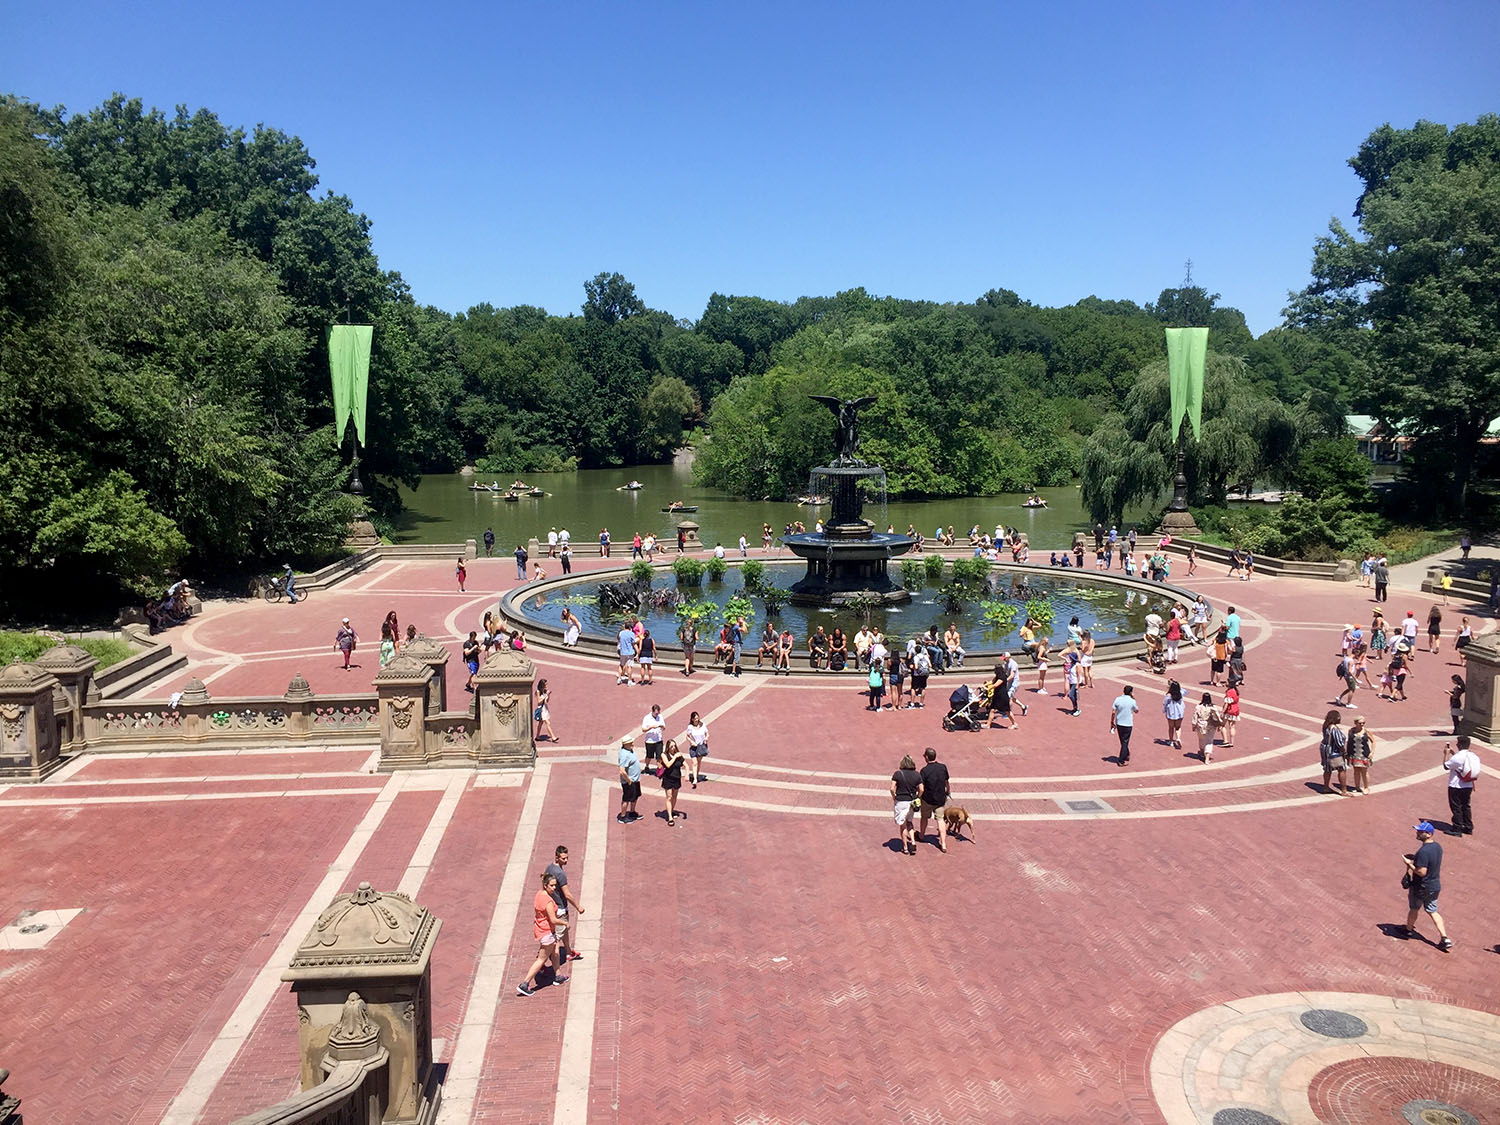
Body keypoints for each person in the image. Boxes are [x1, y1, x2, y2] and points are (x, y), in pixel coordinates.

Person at [1401, 822, 1453, 951]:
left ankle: (1408, 930)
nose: (1417, 833)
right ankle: (1444, 938)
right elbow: (1431, 862)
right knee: (1432, 910)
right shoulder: (1437, 847)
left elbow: (1421, 872)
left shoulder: (1423, 851)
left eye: (1420, 832)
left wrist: (1409, 863)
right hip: (1434, 886)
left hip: (1421, 887)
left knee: (1414, 908)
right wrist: (1415, 858)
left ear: (1429, 834)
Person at [516, 871, 568, 996]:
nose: (554, 888)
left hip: (541, 929)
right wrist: (565, 923)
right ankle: (525, 983)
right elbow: (553, 919)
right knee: (541, 959)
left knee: (555, 952)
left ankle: (558, 976)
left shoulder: (539, 894)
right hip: (547, 932)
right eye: (552, 886)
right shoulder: (548, 901)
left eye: (555, 885)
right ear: (545, 885)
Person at [544, 846, 585, 966]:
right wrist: (578, 906)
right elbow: (566, 894)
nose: (566, 861)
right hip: (560, 908)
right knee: (556, 939)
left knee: (564, 930)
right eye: (563, 858)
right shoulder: (560, 874)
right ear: (557, 857)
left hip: (552, 905)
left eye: (567, 858)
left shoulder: (549, 867)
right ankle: (543, 964)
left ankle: (568, 952)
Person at [1443, 735, 1480, 836]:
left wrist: (1446, 754)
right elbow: (1460, 764)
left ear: (1459, 744)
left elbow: (1446, 766)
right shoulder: (1473, 755)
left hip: (1456, 786)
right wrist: (1453, 753)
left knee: (1456, 807)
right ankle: (1468, 826)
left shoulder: (1458, 757)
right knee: (1466, 806)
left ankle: (1457, 828)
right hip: (1468, 785)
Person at [916, 747, 951, 852]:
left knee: (924, 818)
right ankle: (943, 843)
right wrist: (948, 791)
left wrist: (919, 796)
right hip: (940, 799)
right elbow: (947, 782)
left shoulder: (924, 771)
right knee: (940, 820)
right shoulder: (943, 767)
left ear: (927, 757)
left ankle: (921, 835)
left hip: (927, 799)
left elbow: (921, 787)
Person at [890, 754, 921, 855]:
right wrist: (918, 796)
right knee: (910, 822)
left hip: (901, 801)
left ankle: (905, 847)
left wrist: (894, 796)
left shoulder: (898, 774)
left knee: (902, 825)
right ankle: (912, 841)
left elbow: (891, 788)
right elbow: (921, 789)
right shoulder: (917, 775)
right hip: (911, 801)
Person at [1319, 709, 1350, 796]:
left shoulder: (1326, 726)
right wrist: (1344, 752)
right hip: (1334, 752)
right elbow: (1339, 743)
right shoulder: (1334, 729)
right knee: (1341, 769)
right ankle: (1344, 790)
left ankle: (1326, 787)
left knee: (1327, 769)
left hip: (1325, 750)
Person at [1110, 685, 1139, 766]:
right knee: (1125, 741)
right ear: (1130, 692)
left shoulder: (1118, 699)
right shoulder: (1132, 701)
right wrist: (1133, 699)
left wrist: (1111, 722)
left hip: (1119, 723)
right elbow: (1137, 710)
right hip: (1128, 724)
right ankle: (1121, 760)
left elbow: (1113, 712)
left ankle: (1126, 754)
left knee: (1123, 741)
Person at [659, 738, 685, 826]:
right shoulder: (664, 755)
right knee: (669, 797)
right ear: (668, 747)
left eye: (674, 746)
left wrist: (688, 773)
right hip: (668, 778)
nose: (673, 748)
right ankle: (669, 817)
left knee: (674, 797)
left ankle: (671, 810)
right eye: (671, 747)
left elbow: (685, 764)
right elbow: (668, 764)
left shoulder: (678, 755)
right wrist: (674, 757)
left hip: (676, 778)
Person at [617, 733, 642, 823]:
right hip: (629, 781)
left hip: (635, 779)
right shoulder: (624, 754)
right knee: (626, 798)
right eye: (631, 743)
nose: (633, 744)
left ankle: (632, 812)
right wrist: (629, 781)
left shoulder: (630, 750)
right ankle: (622, 817)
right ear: (625, 744)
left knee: (635, 796)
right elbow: (622, 770)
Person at [1346, 716, 1374, 794]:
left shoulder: (1367, 731)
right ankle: (1357, 787)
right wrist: (1348, 753)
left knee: (1364, 771)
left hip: (1364, 754)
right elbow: (1349, 742)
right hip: (1355, 753)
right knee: (1356, 770)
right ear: (1355, 723)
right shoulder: (1351, 731)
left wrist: (1372, 752)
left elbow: (1373, 741)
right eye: (1360, 723)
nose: (1362, 724)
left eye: (1363, 723)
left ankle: (1366, 787)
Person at [1191, 692, 1220, 763]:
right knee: (1209, 741)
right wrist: (1219, 725)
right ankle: (1207, 758)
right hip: (1210, 726)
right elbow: (1217, 717)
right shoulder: (1213, 707)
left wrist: (1193, 725)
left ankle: (1201, 752)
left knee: (1201, 739)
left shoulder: (1198, 707)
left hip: (1200, 725)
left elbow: (1195, 717)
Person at [684, 711, 709, 786]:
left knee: (698, 762)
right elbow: (687, 736)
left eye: (697, 718)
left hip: (701, 746)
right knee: (694, 763)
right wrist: (691, 741)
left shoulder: (703, 725)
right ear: (692, 719)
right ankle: (695, 779)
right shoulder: (690, 727)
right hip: (693, 747)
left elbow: (707, 733)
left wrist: (706, 738)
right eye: (695, 718)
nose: (697, 720)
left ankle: (697, 775)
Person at [641, 703, 666, 772]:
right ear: (652, 711)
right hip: (650, 740)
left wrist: (661, 726)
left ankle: (660, 771)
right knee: (649, 756)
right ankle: (646, 766)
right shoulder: (647, 718)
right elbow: (643, 729)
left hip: (658, 740)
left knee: (659, 756)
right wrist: (651, 727)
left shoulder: (660, 717)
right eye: (655, 713)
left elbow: (664, 727)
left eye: (658, 713)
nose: (657, 714)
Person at [1162, 680, 1185, 749]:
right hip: (1179, 713)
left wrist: (1164, 710)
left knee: (1171, 727)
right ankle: (1178, 738)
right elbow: (1186, 691)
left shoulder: (1169, 695)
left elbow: (1165, 703)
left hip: (1171, 713)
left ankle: (1171, 741)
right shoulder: (1181, 693)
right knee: (1178, 727)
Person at [533, 678, 555, 742]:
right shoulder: (538, 691)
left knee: (541, 723)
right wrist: (546, 696)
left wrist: (548, 695)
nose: (546, 686)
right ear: (542, 685)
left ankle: (537, 736)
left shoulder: (545, 691)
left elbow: (547, 701)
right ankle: (553, 737)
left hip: (545, 708)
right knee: (547, 723)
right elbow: (539, 701)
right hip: (541, 709)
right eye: (545, 684)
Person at [1221, 681, 1241, 748]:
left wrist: (1223, 711)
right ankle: (1232, 742)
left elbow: (1227, 703)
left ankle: (1225, 741)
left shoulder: (1229, 692)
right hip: (1236, 709)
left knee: (1222, 725)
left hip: (1229, 709)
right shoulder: (1236, 691)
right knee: (1232, 726)